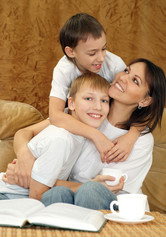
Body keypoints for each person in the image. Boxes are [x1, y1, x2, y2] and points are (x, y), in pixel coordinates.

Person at [3, 58, 166, 210]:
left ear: (145, 101)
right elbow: (25, 132)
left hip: (114, 204)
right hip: (68, 197)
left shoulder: (140, 140)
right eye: (126, 71)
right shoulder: (86, 113)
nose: (123, 78)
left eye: (135, 81)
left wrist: (33, 177)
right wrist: (25, 160)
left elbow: (108, 190)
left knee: (89, 191)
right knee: (58, 195)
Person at [0, 72, 122, 201]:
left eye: (104, 100)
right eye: (88, 98)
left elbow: (45, 183)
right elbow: (38, 194)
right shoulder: (61, 138)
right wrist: (25, 156)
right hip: (8, 196)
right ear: (72, 104)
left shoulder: (72, 127)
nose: (98, 107)